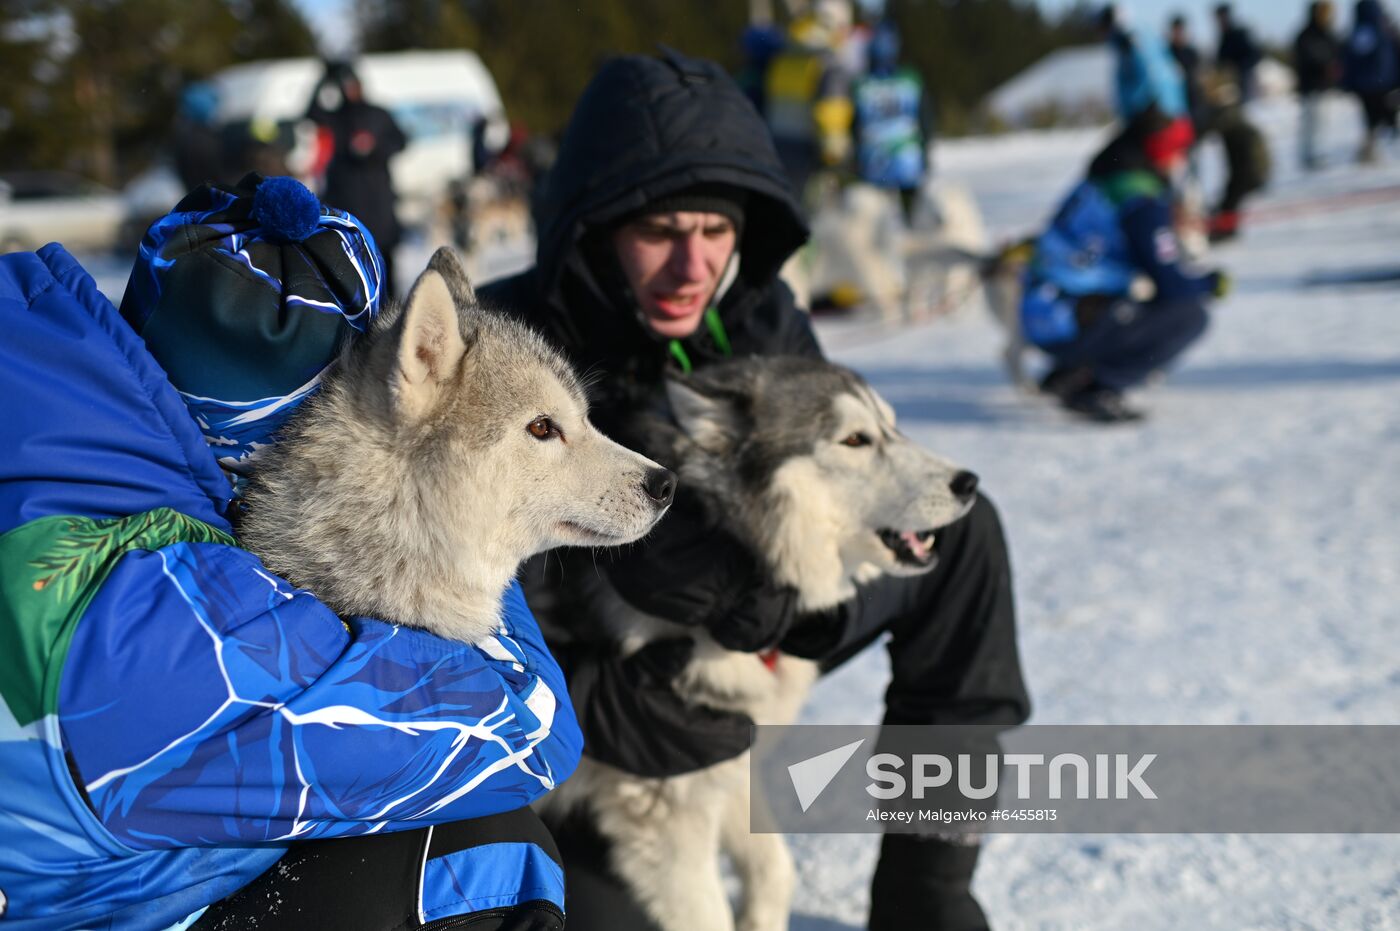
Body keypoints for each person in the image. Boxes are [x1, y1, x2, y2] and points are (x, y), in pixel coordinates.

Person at [480, 49, 1031, 931]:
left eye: (716, 231)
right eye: (660, 231)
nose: (692, 265)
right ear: (597, 228)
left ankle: (928, 892)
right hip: (593, 704)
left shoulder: (763, 314)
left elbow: (841, 501)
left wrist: (796, 619)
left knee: (963, 543)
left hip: (757, 631)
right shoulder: (515, 347)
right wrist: (592, 696)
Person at [0, 174, 579, 929]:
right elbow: (532, 722)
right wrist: (466, 516)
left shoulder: (54, 425)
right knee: (487, 857)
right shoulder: (182, 624)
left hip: (744, 748)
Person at [1021, 118, 1228, 423]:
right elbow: (1171, 282)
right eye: (1180, 151)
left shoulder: (1099, 181)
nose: (1181, 160)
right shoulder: (1141, 201)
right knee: (1190, 315)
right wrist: (1210, 282)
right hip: (1071, 322)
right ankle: (1098, 385)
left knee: (1129, 296)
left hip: (1041, 316)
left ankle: (1069, 371)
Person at [306, 60, 407, 294]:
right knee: (349, 263)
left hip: (378, 199)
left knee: (385, 262)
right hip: (345, 200)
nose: (350, 90)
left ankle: (390, 308)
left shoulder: (378, 114)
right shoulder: (335, 116)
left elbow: (401, 141)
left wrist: (374, 148)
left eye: (354, 84)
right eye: (344, 85)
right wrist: (323, 80)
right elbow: (310, 112)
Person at [764, 0, 858, 202]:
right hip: (808, 154)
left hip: (776, 145)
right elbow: (832, 114)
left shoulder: (786, 51)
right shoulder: (828, 61)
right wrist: (837, 160)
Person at [851, 19, 932, 223]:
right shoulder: (908, 80)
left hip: (884, 164)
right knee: (894, 221)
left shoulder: (862, 85)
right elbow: (926, 121)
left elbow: (853, 126)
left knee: (888, 222)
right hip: (895, 163)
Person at [1343, 0, 1400, 163]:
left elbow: (1349, 61)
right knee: (1388, 117)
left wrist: (1349, 83)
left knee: (1371, 120)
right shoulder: (1384, 30)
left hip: (1364, 87)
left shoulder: (1355, 32)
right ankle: (1383, 152)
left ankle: (1372, 151)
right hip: (1385, 84)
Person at [1294, 1, 1343, 169]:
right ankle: (1309, 155)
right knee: (1312, 123)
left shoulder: (1327, 34)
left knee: (1323, 122)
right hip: (1311, 87)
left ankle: (1319, 152)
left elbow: (1336, 53)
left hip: (1324, 86)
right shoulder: (1306, 35)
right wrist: (1324, 65)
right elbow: (1308, 57)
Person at [1214, 2, 1264, 100]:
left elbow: (1255, 55)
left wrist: (1240, 68)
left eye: (1222, 17)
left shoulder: (1240, 33)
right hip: (1234, 80)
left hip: (1247, 76)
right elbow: (1221, 60)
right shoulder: (1224, 37)